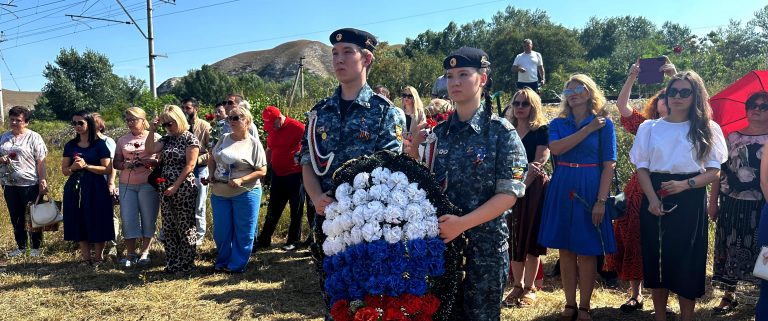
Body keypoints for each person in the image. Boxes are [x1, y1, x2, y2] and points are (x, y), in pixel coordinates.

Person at [409, 47, 528, 320]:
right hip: (443, 248)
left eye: (464, 74)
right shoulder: (438, 134)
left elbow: (509, 193)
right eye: (450, 76)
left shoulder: (501, 133)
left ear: (482, 79)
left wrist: (462, 224)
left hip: (483, 252)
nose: (455, 82)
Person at [299, 28, 404, 311]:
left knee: (370, 299)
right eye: (335, 53)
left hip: (367, 222)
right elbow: (307, 161)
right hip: (328, 218)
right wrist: (316, 197)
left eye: (347, 52)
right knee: (334, 295)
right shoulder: (319, 112)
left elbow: (388, 169)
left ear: (366, 59)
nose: (338, 59)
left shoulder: (385, 112)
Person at [629, 71, 727, 321]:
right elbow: (642, 167)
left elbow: (715, 172)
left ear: (696, 95)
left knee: (687, 260)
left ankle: (687, 317)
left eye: (685, 92)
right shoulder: (649, 128)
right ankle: (660, 316)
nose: (678, 96)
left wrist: (686, 184)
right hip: (655, 193)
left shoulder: (707, 128)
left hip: (690, 197)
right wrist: (651, 199)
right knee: (657, 259)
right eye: (673, 91)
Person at [538, 74, 617, 321]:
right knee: (566, 249)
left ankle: (585, 307)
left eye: (578, 88)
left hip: (590, 185)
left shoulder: (604, 124)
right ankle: (569, 304)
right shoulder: (558, 123)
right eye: (568, 90)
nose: (572, 93)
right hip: (563, 184)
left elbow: (609, 165)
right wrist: (588, 129)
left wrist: (601, 201)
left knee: (587, 250)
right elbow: (558, 149)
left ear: (589, 92)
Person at [606, 60, 677, 312]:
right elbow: (622, 106)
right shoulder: (646, 126)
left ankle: (663, 300)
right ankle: (635, 294)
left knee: (665, 243)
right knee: (634, 237)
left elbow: (694, 106)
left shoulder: (686, 127)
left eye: (675, 97)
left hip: (671, 188)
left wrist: (674, 76)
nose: (669, 101)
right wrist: (632, 76)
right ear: (655, 104)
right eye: (664, 97)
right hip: (639, 190)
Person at [710, 90, 768, 315]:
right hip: (733, 203)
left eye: (764, 106)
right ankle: (728, 295)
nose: (757, 109)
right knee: (730, 248)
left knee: (761, 250)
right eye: (753, 104)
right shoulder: (732, 137)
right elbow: (719, 172)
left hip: (762, 206)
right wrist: (712, 202)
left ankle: (761, 298)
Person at [500, 88, 549, 308]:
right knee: (512, 237)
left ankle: (530, 288)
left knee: (530, 237)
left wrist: (520, 188)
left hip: (533, 189)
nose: (519, 107)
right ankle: (517, 285)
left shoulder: (541, 131)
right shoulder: (505, 130)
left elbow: (539, 161)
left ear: (533, 106)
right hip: (509, 189)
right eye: (516, 103)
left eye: (525, 104)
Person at [208, 106, 266, 273]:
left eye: (235, 118)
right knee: (221, 232)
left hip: (245, 193)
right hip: (219, 192)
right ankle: (223, 260)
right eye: (229, 118)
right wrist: (211, 174)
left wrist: (242, 179)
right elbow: (212, 157)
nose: (231, 121)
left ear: (246, 121)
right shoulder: (224, 138)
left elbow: (262, 170)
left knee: (244, 232)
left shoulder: (253, 143)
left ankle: (237, 265)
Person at [145, 105, 200, 273]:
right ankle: (172, 262)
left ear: (179, 120)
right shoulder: (167, 139)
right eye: (165, 124)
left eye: (170, 123)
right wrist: (152, 130)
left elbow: (190, 165)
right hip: (165, 186)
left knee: (185, 225)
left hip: (183, 187)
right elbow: (149, 150)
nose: (168, 127)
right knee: (168, 225)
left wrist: (175, 185)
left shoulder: (189, 139)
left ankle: (187, 263)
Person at [61, 112, 114, 266]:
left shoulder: (99, 144)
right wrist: (73, 167)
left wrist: (87, 166)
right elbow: (65, 171)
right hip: (75, 187)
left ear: (89, 124)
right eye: (74, 123)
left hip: (96, 187)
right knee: (78, 219)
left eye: (80, 123)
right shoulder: (70, 145)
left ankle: (98, 258)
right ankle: (85, 258)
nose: (77, 126)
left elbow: (107, 169)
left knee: (98, 219)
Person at [114, 107, 161, 268]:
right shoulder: (122, 140)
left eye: (134, 119)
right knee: (128, 218)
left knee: (148, 217)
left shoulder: (155, 137)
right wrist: (125, 164)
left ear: (143, 120)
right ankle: (130, 253)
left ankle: (145, 252)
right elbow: (116, 163)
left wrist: (152, 163)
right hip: (127, 183)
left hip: (148, 183)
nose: (130, 123)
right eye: (128, 120)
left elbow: (162, 162)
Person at [0, 106, 48, 258]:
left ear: (26, 122)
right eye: (12, 119)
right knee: (16, 215)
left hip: (29, 182)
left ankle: (36, 247)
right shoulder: (4, 137)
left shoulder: (34, 137)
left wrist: (42, 181)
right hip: (9, 182)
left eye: (18, 120)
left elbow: (41, 161)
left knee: (33, 215)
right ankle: (21, 246)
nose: (14, 122)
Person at [256, 106, 306, 251]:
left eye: (272, 124)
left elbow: (309, 147)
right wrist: (264, 170)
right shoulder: (273, 129)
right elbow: (270, 149)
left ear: (279, 118)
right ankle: (264, 239)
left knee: (296, 209)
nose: (271, 128)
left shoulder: (298, 127)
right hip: (278, 174)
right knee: (273, 208)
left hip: (295, 175)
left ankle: (293, 240)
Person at [181, 98, 212, 245]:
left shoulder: (205, 126)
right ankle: (185, 234)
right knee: (184, 203)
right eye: (183, 108)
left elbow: (212, 151)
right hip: (183, 169)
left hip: (200, 169)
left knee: (199, 204)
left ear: (195, 109)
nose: (185, 111)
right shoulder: (181, 127)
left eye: (187, 108)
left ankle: (199, 236)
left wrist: (196, 160)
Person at [91, 113, 120, 256]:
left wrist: (111, 183)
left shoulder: (107, 141)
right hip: (90, 185)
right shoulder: (85, 141)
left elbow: (113, 164)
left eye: (93, 123)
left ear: (100, 125)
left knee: (109, 214)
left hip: (104, 182)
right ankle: (96, 244)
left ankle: (112, 245)